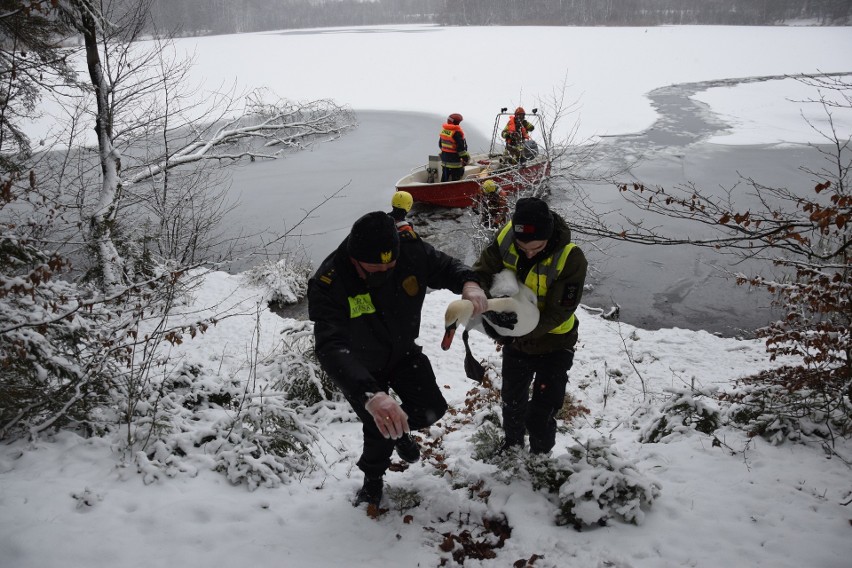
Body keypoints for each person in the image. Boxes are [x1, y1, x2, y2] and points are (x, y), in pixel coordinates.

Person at [307, 211, 488, 508]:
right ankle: (373, 480)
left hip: (404, 353)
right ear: (355, 259)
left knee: (432, 409)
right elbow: (330, 347)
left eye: (391, 266)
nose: (385, 273)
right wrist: (371, 395)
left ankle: (400, 432)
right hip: (361, 368)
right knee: (380, 424)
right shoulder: (331, 281)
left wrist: (470, 282)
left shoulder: (410, 250)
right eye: (375, 270)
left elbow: (447, 267)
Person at [472, 197, 588, 455]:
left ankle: (540, 455)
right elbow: (480, 274)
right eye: (524, 247)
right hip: (517, 346)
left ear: (549, 238)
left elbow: (560, 311)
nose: (529, 253)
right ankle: (512, 447)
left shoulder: (571, 258)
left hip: (555, 344)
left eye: (537, 248)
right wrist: (489, 312)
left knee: (541, 412)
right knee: (512, 402)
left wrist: (517, 330)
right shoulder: (506, 239)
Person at [439, 113, 471, 182]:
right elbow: (461, 149)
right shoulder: (457, 133)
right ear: (457, 123)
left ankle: (441, 190)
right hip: (455, 163)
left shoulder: (444, 131)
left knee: (444, 179)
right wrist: (466, 158)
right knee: (455, 181)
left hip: (444, 161)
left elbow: (440, 145)